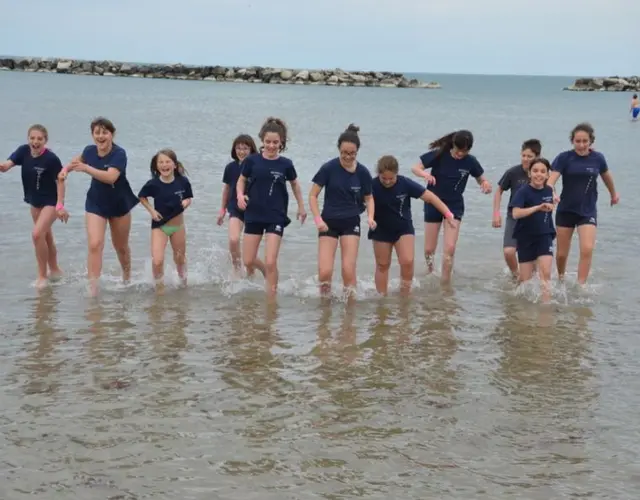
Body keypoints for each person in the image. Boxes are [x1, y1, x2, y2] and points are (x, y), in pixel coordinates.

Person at [60, 117, 139, 296]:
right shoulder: (88, 151)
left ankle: (126, 277)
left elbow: (111, 177)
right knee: (95, 244)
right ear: (92, 135)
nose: (101, 136)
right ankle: (93, 288)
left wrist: (86, 168)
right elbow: (74, 163)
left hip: (119, 204)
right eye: (97, 133)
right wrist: (64, 171)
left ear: (112, 134)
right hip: (96, 202)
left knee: (121, 246)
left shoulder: (119, 153)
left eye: (105, 132)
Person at [235, 117, 307, 296]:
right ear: (262, 140)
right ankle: (268, 274)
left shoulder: (286, 164)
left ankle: (271, 299)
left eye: (275, 142)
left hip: (275, 215)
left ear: (281, 142)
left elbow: (295, 185)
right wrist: (239, 195)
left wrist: (301, 206)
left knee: (270, 260)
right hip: (253, 214)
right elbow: (241, 180)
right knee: (248, 260)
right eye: (268, 142)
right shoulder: (252, 161)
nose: (271, 145)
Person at [411, 129, 492, 283]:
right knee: (429, 249)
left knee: (449, 249)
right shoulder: (439, 154)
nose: (460, 154)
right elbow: (415, 168)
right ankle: (430, 271)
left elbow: (481, 178)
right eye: (457, 150)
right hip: (433, 202)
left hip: (454, 205)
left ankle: (445, 284)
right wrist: (425, 175)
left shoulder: (471, 161)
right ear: (453, 145)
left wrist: (485, 184)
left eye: (464, 151)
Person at [369, 155, 455, 296]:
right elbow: (358, 203)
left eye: (391, 178)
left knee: (407, 261)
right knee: (382, 265)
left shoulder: (405, 183)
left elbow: (431, 197)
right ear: (379, 174)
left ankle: (405, 294)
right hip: (380, 230)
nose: (388, 182)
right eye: (384, 178)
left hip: (404, 229)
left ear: (397, 173)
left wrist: (448, 214)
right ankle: (381, 298)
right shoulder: (372, 185)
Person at [547, 122, 619, 285]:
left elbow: (606, 177)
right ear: (572, 141)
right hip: (566, 210)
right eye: (577, 141)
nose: (581, 145)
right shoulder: (564, 158)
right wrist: (551, 192)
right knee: (561, 254)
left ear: (591, 141)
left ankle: (581, 286)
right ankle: (561, 278)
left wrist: (613, 194)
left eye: (584, 141)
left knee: (587, 249)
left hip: (587, 211)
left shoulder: (598, 158)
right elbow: (551, 180)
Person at [308, 124, 375, 297]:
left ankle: (349, 315)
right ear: (339, 149)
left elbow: (369, 198)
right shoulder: (328, 168)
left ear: (357, 152)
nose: (347, 156)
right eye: (344, 152)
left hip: (351, 222)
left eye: (352, 153)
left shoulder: (363, 172)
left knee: (348, 270)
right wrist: (318, 220)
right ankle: (325, 310)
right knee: (324, 273)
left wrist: (370, 217)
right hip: (328, 222)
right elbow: (313, 195)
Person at [0, 124, 69, 288]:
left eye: (39, 138)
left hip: (51, 202)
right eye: (32, 138)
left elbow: (60, 181)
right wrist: (2, 166)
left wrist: (60, 205)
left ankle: (42, 277)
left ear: (45, 140)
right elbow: (6, 166)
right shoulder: (23, 151)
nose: (35, 141)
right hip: (34, 201)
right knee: (46, 236)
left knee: (37, 234)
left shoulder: (51, 159)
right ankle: (55, 270)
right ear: (28, 139)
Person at [138, 149, 193, 287]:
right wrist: (152, 211)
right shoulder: (153, 184)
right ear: (157, 166)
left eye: (167, 161)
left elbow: (189, 197)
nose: (164, 165)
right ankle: (159, 287)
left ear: (174, 165)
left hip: (178, 226)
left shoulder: (183, 181)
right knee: (157, 261)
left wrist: (186, 202)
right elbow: (142, 197)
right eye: (161, 162)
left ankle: (183, 284)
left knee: (180, 259)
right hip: (160, 226)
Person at [492, 139, 542, 278]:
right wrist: (496, 213)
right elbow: (499, 191)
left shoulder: (541, 173)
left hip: (535, 219)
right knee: (509, 251)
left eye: (529, 156)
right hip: (514, 217)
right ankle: (516, 276)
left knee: (534, 260)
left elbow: (549, 190)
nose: (525, 159)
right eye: (523, 155)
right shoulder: (513, 172)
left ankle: (530, 281)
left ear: (537, 157)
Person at [511, 157, 556, 303]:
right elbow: (515, 213)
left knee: (546, 275)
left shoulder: (549, 189)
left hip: (545, 236)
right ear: (529, 173)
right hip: (525, 238)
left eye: (543, 171)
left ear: (548, 175)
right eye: (535, 171)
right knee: (526, 282)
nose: (539, 174)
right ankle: (523, 315)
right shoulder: (523, 192)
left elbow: (551, 201)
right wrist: (537, 208)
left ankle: (546, 309)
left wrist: (553, 202)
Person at [217, 134, 262, 274]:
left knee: (251, 251)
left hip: (254, 210)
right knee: (233, 239)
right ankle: (237, 269)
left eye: (245, 148)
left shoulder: (257, 166)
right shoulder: (230, 167)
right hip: (235, 208)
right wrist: (222, 210)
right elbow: (227, 189)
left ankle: (251, 272)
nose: (241, 151)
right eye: (238, 148)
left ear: (251, 149)